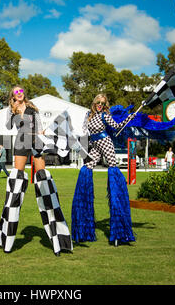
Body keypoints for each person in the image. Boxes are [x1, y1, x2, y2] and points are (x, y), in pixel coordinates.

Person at [0, 85, 73, 256]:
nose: (19, 93)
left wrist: (42, 133)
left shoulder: (32, 108)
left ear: (24, 93)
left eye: (21, 91)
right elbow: (8, 127)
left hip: (36, 142)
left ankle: (57, 236)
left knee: (43, 179)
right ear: (13, 95)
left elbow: (38, 127)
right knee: (16, 181)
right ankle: (7, 235)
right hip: (20, 143)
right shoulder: (11, 110)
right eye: (16, 92)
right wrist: (13, 110)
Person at [71, 94, 137, 247]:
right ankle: (83, 227)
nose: (100, 104)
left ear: (105, 104)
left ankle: (119, 230)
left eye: (102, 103)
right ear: (94, 102)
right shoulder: (88, 115)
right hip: (94, 145)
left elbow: (116, 126)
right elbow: (84, 132)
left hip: (105, 143)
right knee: (86, 169)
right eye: (98, 102)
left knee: (113, 170)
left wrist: (129, 118)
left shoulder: (104, 115)